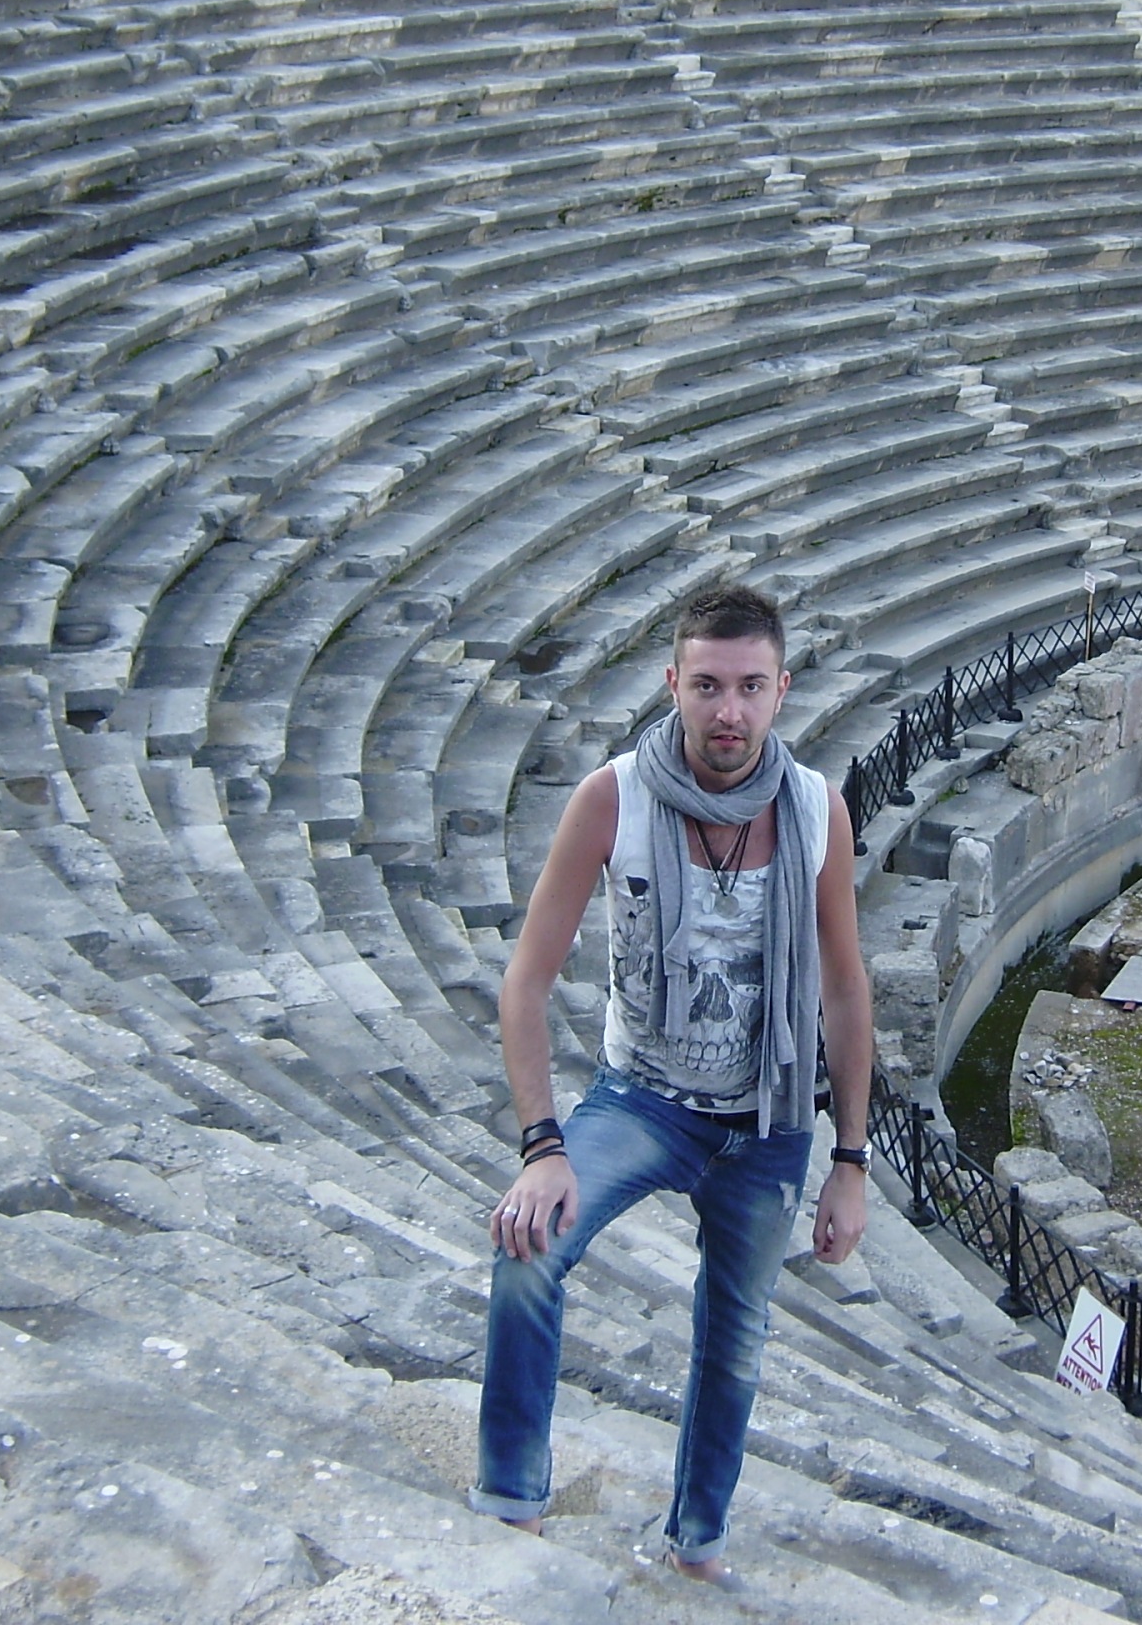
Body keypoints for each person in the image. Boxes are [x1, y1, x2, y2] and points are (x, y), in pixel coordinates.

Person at [471, 583, 873, 1586]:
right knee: (528, 1254)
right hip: (643, 1099)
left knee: (733, 1344)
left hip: (768, 1118)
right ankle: (510, 1512)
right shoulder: (613, 798)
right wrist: (542, 1146)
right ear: (672, 684)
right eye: (707, 686)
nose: (728, 711)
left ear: (781, 690)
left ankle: (695, 1549)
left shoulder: (816, 810)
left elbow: (843, 987)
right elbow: (525, 981)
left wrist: (851, 1161)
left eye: (749, 688)